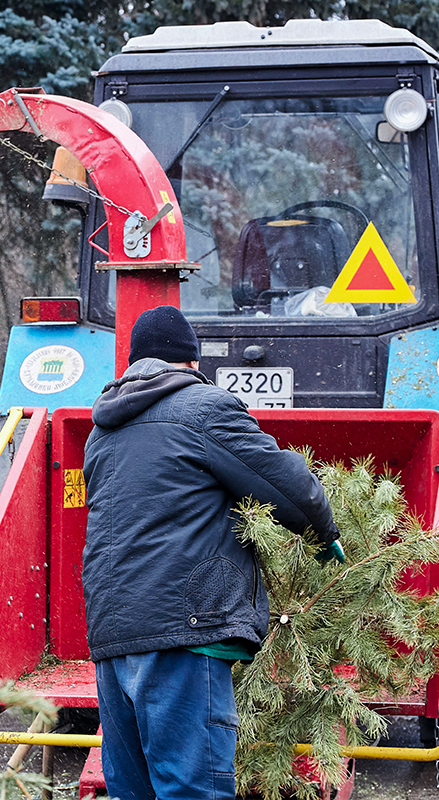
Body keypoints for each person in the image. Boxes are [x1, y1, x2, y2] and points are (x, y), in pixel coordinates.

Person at [83, 305, 343, 800]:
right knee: (194, 789)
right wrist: (323, 533)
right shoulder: (204, 408)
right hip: (184, 630)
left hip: (113, 638)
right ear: (191, 360)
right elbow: (286, 486)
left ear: (135, 360)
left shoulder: (102, 429)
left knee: (133, 792)